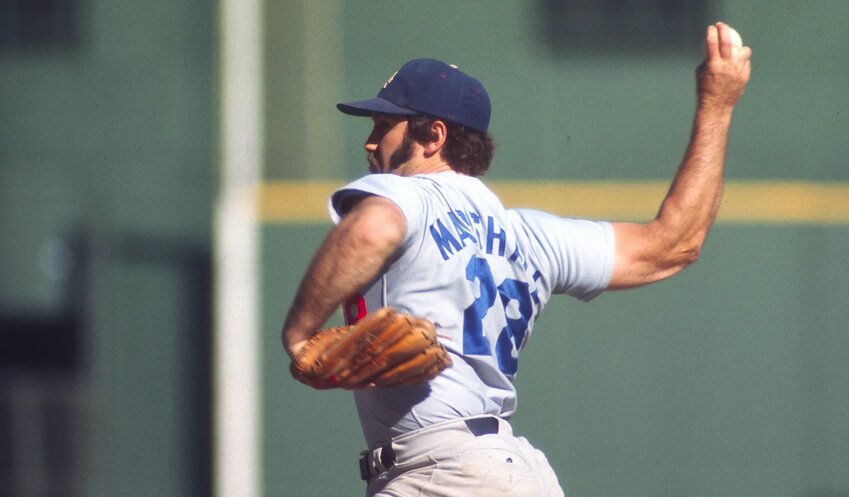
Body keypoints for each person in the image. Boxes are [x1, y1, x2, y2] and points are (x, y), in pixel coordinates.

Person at [282, 22, 751, 497]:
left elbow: (370, 228)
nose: (370, 141)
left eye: (385, 127)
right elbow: (673, 244)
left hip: (441, 475)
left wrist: (298, 335)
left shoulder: (405, 195)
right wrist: (718, 105)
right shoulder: (528, 235)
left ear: (433, 137)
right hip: (511, 472)